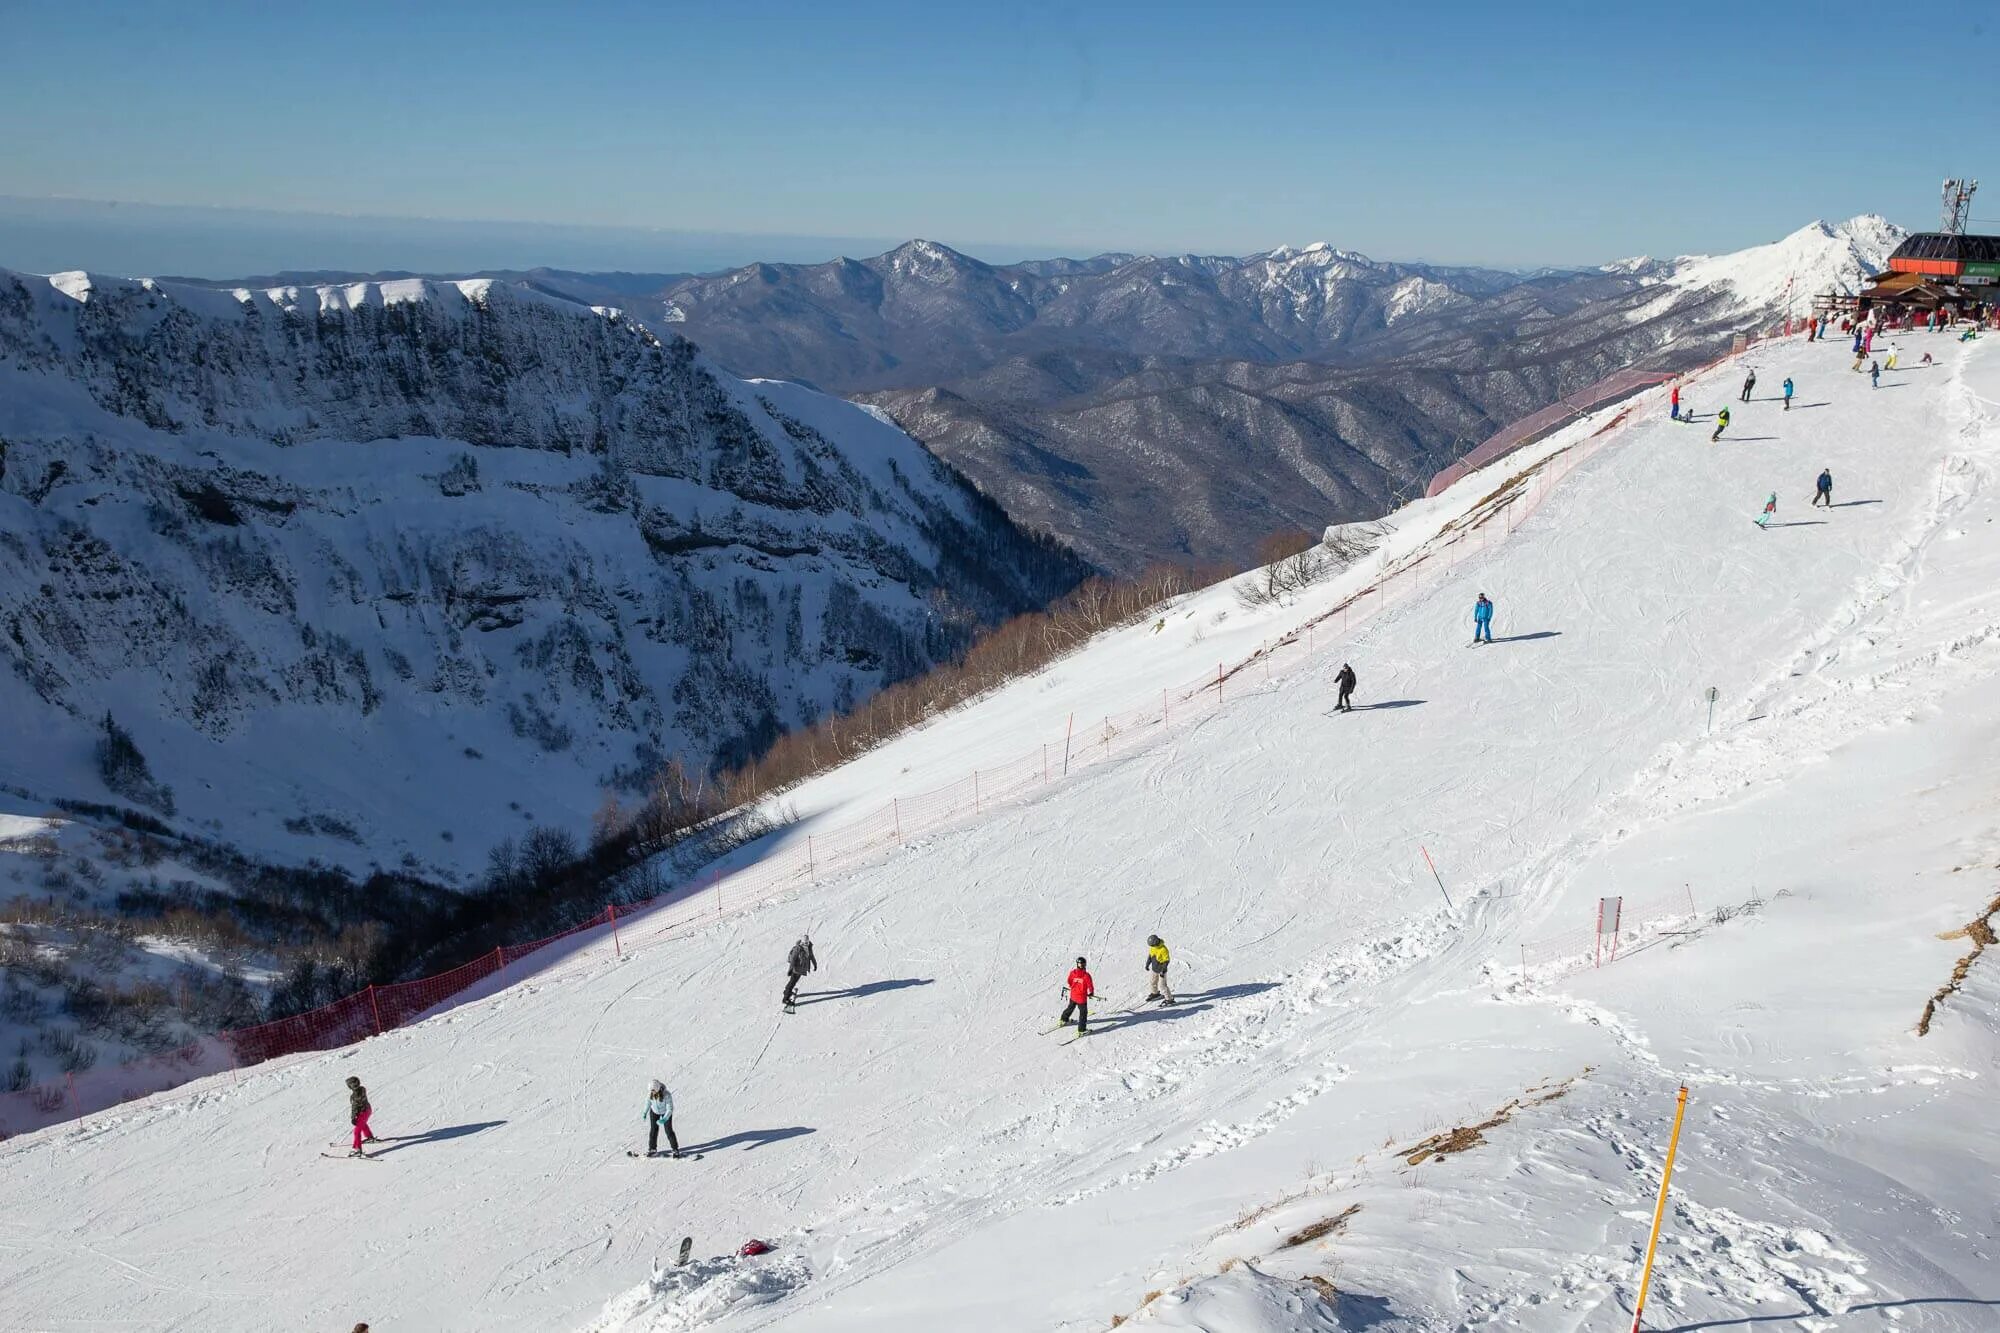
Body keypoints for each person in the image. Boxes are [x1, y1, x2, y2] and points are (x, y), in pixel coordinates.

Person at [643, 1079, 681, 1157]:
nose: (652, 1093)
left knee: (668, 1131)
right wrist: (645, 1112)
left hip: (665, 1113)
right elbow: (648, 1102)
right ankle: (652, 1149)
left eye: (653, 1091)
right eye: (651, 1091)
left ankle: (675, 1149)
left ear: (657, 1089)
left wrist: (665, 1118)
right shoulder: (650, 1093)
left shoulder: (667, 1095)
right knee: (653, 1130)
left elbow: (670, 1109)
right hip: (654, 1112)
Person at [1060, 957, 1095, 1034]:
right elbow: (1090, 986)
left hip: (1073, 995)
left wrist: (1073, 987)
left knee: (1070, 1007)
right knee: (1083, 1013)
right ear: (1085, 965)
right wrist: (1091, 993)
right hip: (1081, 998)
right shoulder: (1086, 975)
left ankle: (1063, 1019)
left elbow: (1069, 981)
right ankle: (1081, 1030)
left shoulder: (1073, 973)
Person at [782, 934, 816, 1008]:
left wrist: (815, 964)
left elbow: (811, 956)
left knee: (793, 982)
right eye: (804, 943)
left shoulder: (809, 947)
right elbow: (793, 959)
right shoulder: (798, 948)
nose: (805, 944)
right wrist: (790, 969)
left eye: (807, 942)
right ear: (801, 942)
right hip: (796, 969)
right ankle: (785, 999)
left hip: (802, 969)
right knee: (792, 983)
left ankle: (786, 991)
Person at [345, 1075, 375, 1156]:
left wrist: (353, 1117)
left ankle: (357, 1149)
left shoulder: (355, 1096)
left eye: (349, 1085)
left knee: (357, 1131)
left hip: (363, 1112)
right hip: (368, 1110)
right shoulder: (362, 1089)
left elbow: (354, 1107)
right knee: (363, 1124)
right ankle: (369, 1137)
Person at [1143, 935, 1175, 1005]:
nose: (1151, 946)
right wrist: (1147, 964)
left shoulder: (1163, 949)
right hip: (1154, 969)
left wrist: (1163, 971)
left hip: (1161, 970)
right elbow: (1150, 956)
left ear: (1156, 943)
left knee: (1162, 986)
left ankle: (1169, 999)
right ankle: (1155, 993)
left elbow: (1166, 961)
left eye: (1152, 945)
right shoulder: (1153, 948)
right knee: (1152, 982)